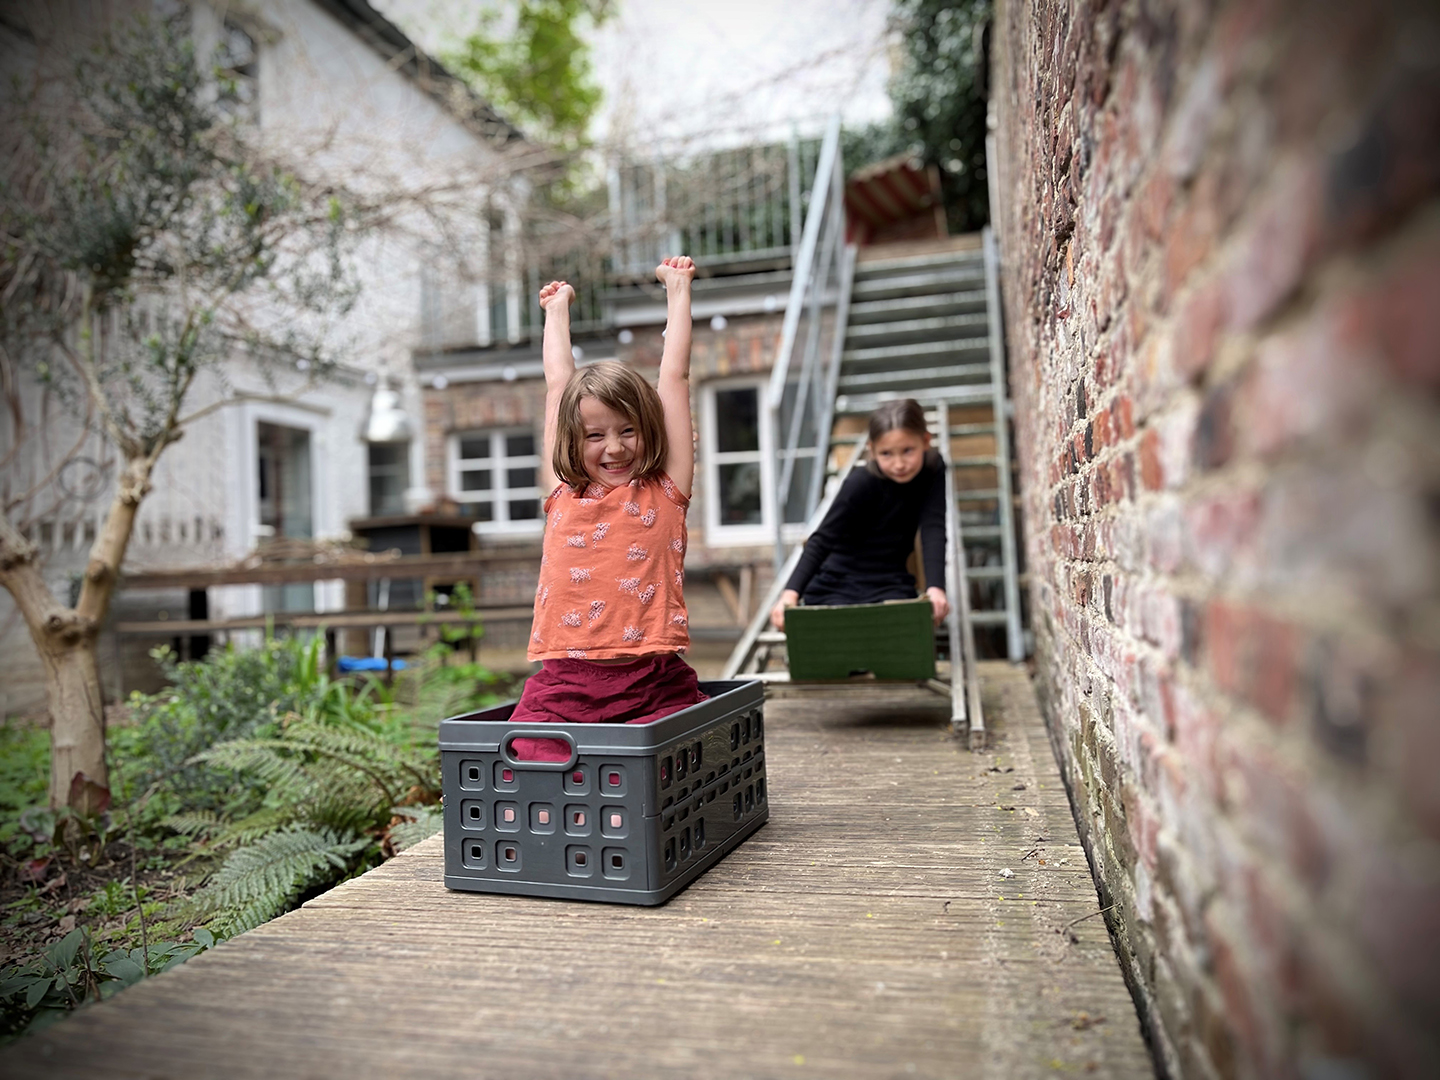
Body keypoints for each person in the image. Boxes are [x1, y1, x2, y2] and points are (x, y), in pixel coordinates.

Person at [509, 257, 705, 761]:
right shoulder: (561, 494)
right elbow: (558, 384)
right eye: (595, 435)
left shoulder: (664, 491)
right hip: (563, 686)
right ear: (575, 442)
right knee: (525, 762)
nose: (613, 448)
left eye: (627, 431)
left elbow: (675, 376)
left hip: (652, 681)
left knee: (662, 766)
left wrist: (678, 289)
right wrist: (557, 311)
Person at [770, 398, 951, 631]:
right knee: (845, 642)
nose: (899, 464)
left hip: (890, 580)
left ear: (925, 441)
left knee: (908, 631)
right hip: (838, 582)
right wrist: (790, 594)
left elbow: (933, 527)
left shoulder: (932, 470)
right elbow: (822, 539)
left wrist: (936, 587)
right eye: (886, 453)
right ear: (872, 450)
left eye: (907, 451)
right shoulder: (861, 482)